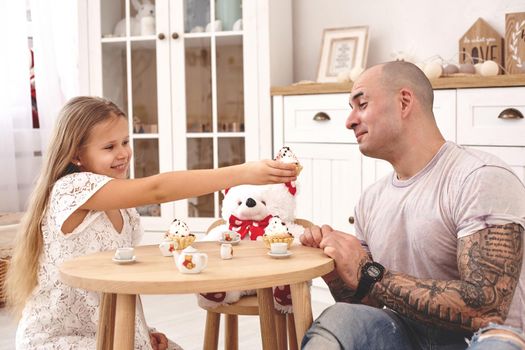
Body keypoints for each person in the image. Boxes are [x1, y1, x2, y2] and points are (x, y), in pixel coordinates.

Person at [5, 96, 297, 350]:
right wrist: (242, 173)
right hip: (60, 340)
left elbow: (121, 285)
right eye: (109, 147)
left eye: (125, 142)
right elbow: (158, 189)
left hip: (109, 331)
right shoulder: (70, 190)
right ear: (76, 155)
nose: (123, 153)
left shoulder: (124, 211)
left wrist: (144, 333)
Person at [300, 61, 525, 350]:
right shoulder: (371, 200)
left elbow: (485, 309)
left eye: (362, 104)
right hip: (409, 336)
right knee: (341, 318)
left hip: (486, 341)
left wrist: (369, 272)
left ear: (404, 102)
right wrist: (338, 271)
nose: (349, 121)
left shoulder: (480, 177)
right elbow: (367, 301)